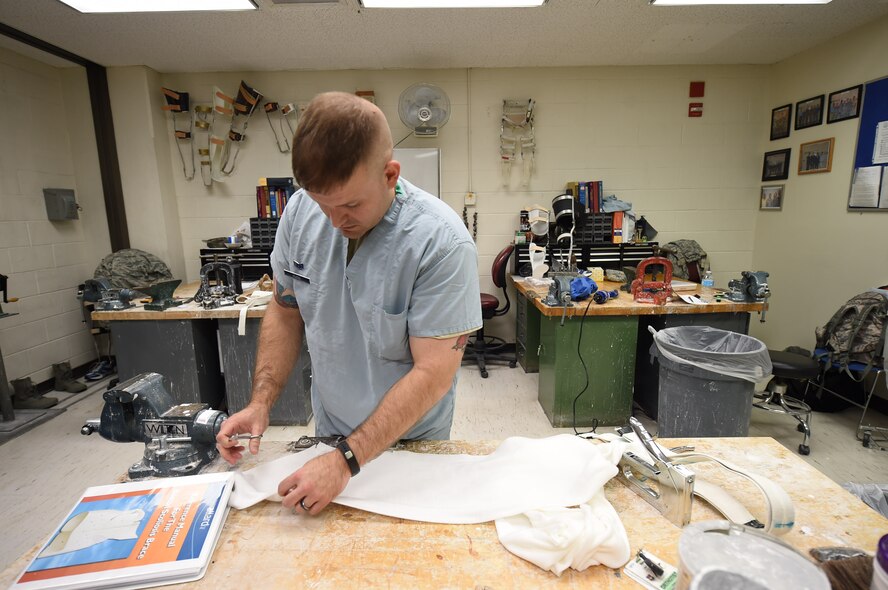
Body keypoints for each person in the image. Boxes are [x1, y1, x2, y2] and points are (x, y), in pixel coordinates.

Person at [216, 91, 482, 516]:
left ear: (390, 174)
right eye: (324, 205)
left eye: (351, 204)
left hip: (412, 441)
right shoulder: (300, 214)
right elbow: (286, 312)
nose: (336, 221)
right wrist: (260, 402)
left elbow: (434, 373)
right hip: (332, 432)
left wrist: (347, 460)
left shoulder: (441, 244)